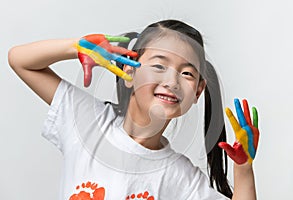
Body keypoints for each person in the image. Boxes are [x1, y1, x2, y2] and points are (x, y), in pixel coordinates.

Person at [8, 19, 259, 200]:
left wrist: (244, 169)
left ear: (197, 92)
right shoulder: (87, 123)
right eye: (159, 66)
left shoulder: (181, 178)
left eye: (186, 73)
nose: (172, 81)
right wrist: (76, 47)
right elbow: (20, 61)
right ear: (129, 71)